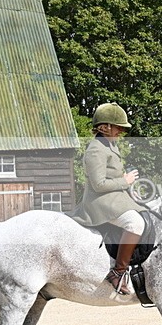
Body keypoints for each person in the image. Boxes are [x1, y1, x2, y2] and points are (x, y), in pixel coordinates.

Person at [68, 102, 145, 295]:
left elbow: (114, 178)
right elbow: (98, 185)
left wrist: (129, 191)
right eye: (118, 127)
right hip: (99, 202)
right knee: (135, 223)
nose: (121, 131)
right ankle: (117, 272)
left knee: (148, 211)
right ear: (104, 127)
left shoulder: (110, 146)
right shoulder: (96, 149)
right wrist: (125, 181)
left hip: (114, 197)